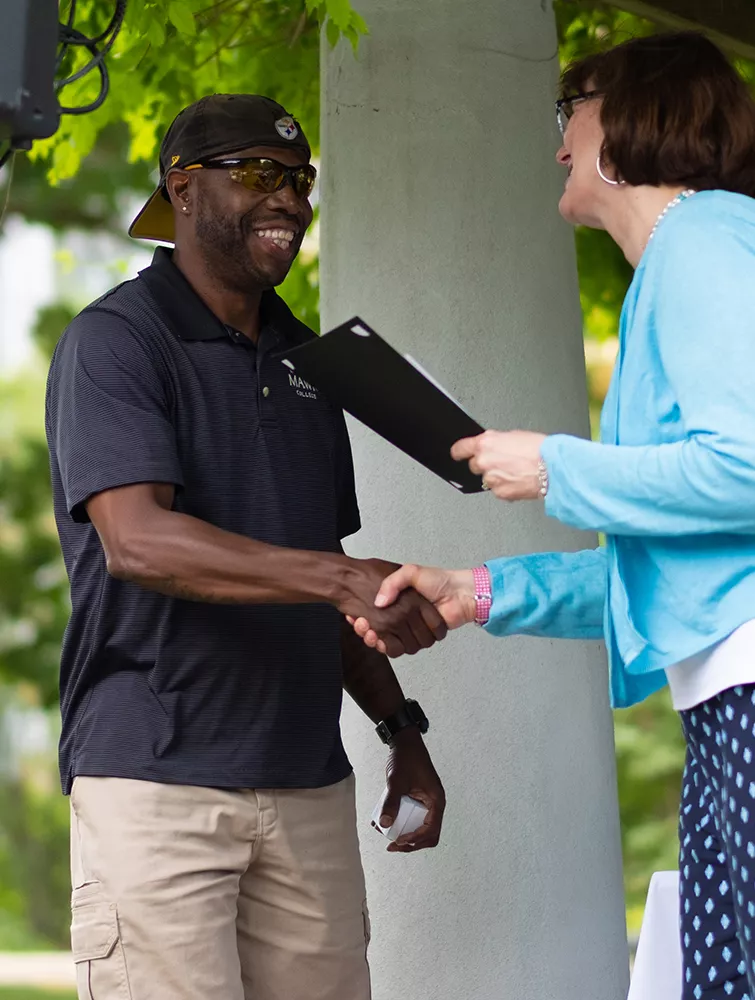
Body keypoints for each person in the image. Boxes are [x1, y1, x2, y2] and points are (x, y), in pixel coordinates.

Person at [349, 32, 755, 1000]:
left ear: (628, 114)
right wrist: (471, 591)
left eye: (569, 108)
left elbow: (740, 467)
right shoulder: (687, 254)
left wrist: (554, 467)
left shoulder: (703, 237)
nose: (560, 141)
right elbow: (670, 555)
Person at [45, 94, 447, 1000]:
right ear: (181, 190)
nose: (289, 200)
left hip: (306, 782)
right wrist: (344, 575)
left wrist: (398, 730)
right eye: (258, 174)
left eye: (299, 180)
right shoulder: (114, 343)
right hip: (157, 784)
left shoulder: (310, 361)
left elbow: (314, 582)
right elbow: (140, 542)